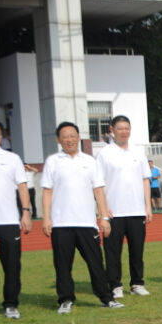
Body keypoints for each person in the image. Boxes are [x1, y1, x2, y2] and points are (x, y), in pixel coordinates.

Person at [41, 122, 123, 313]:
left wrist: (104, 217)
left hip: (86, 223)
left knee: (95, 263)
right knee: (62, 265)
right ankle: (65, 300)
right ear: (58, 140)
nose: (69, 140)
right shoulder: (53, 161)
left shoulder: (89, 161)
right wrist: (46, 218)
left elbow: (99, 191)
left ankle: (106, 298)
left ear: (78, 138)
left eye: (73, 136)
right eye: (65, 136)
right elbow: (46, 192)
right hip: (61, 223)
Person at [96, 115, 153, 299]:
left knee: (137, 250)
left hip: (136, 210)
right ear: (112, 130)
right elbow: (98, 183)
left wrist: (148, 206)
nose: (124, 132)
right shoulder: (105, 154)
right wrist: (103, 209)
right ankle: (115, 285)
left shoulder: (138, 153)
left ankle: (137, 283)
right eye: (120, 128)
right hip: (114, 212)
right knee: (113, 252)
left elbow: (145, 180)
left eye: (127, 128)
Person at [0, 118, 32, 319]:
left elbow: (22, 186)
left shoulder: (13, 158)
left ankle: (10, 304)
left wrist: (26, 212)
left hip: (9, 222)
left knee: (12, 266)